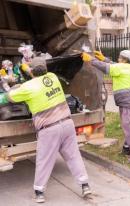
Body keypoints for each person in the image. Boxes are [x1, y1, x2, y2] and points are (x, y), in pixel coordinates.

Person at [6, 57, 91, 203]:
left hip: (49, 128)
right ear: (45, 69)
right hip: (67, 124)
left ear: (32, 71)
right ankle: (85, 185)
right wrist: (25, 66)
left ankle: (39, 192)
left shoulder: (28, 87)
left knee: (44, 160)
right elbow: (36, 74)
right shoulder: (52, 77)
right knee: (73, 155)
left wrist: (14, 87)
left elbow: (9, 98)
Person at [82, 51, 130, 164]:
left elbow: (106, 68)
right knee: (128, 126)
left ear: (124, 60)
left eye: (119, 57)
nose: (118, 59)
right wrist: (104, 59)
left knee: (129, 127)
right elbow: (114, 65)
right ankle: (127, 148)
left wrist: (91, 59)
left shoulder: (123, 67)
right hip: (128, 103)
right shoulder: (128, 67)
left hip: (129, 103)